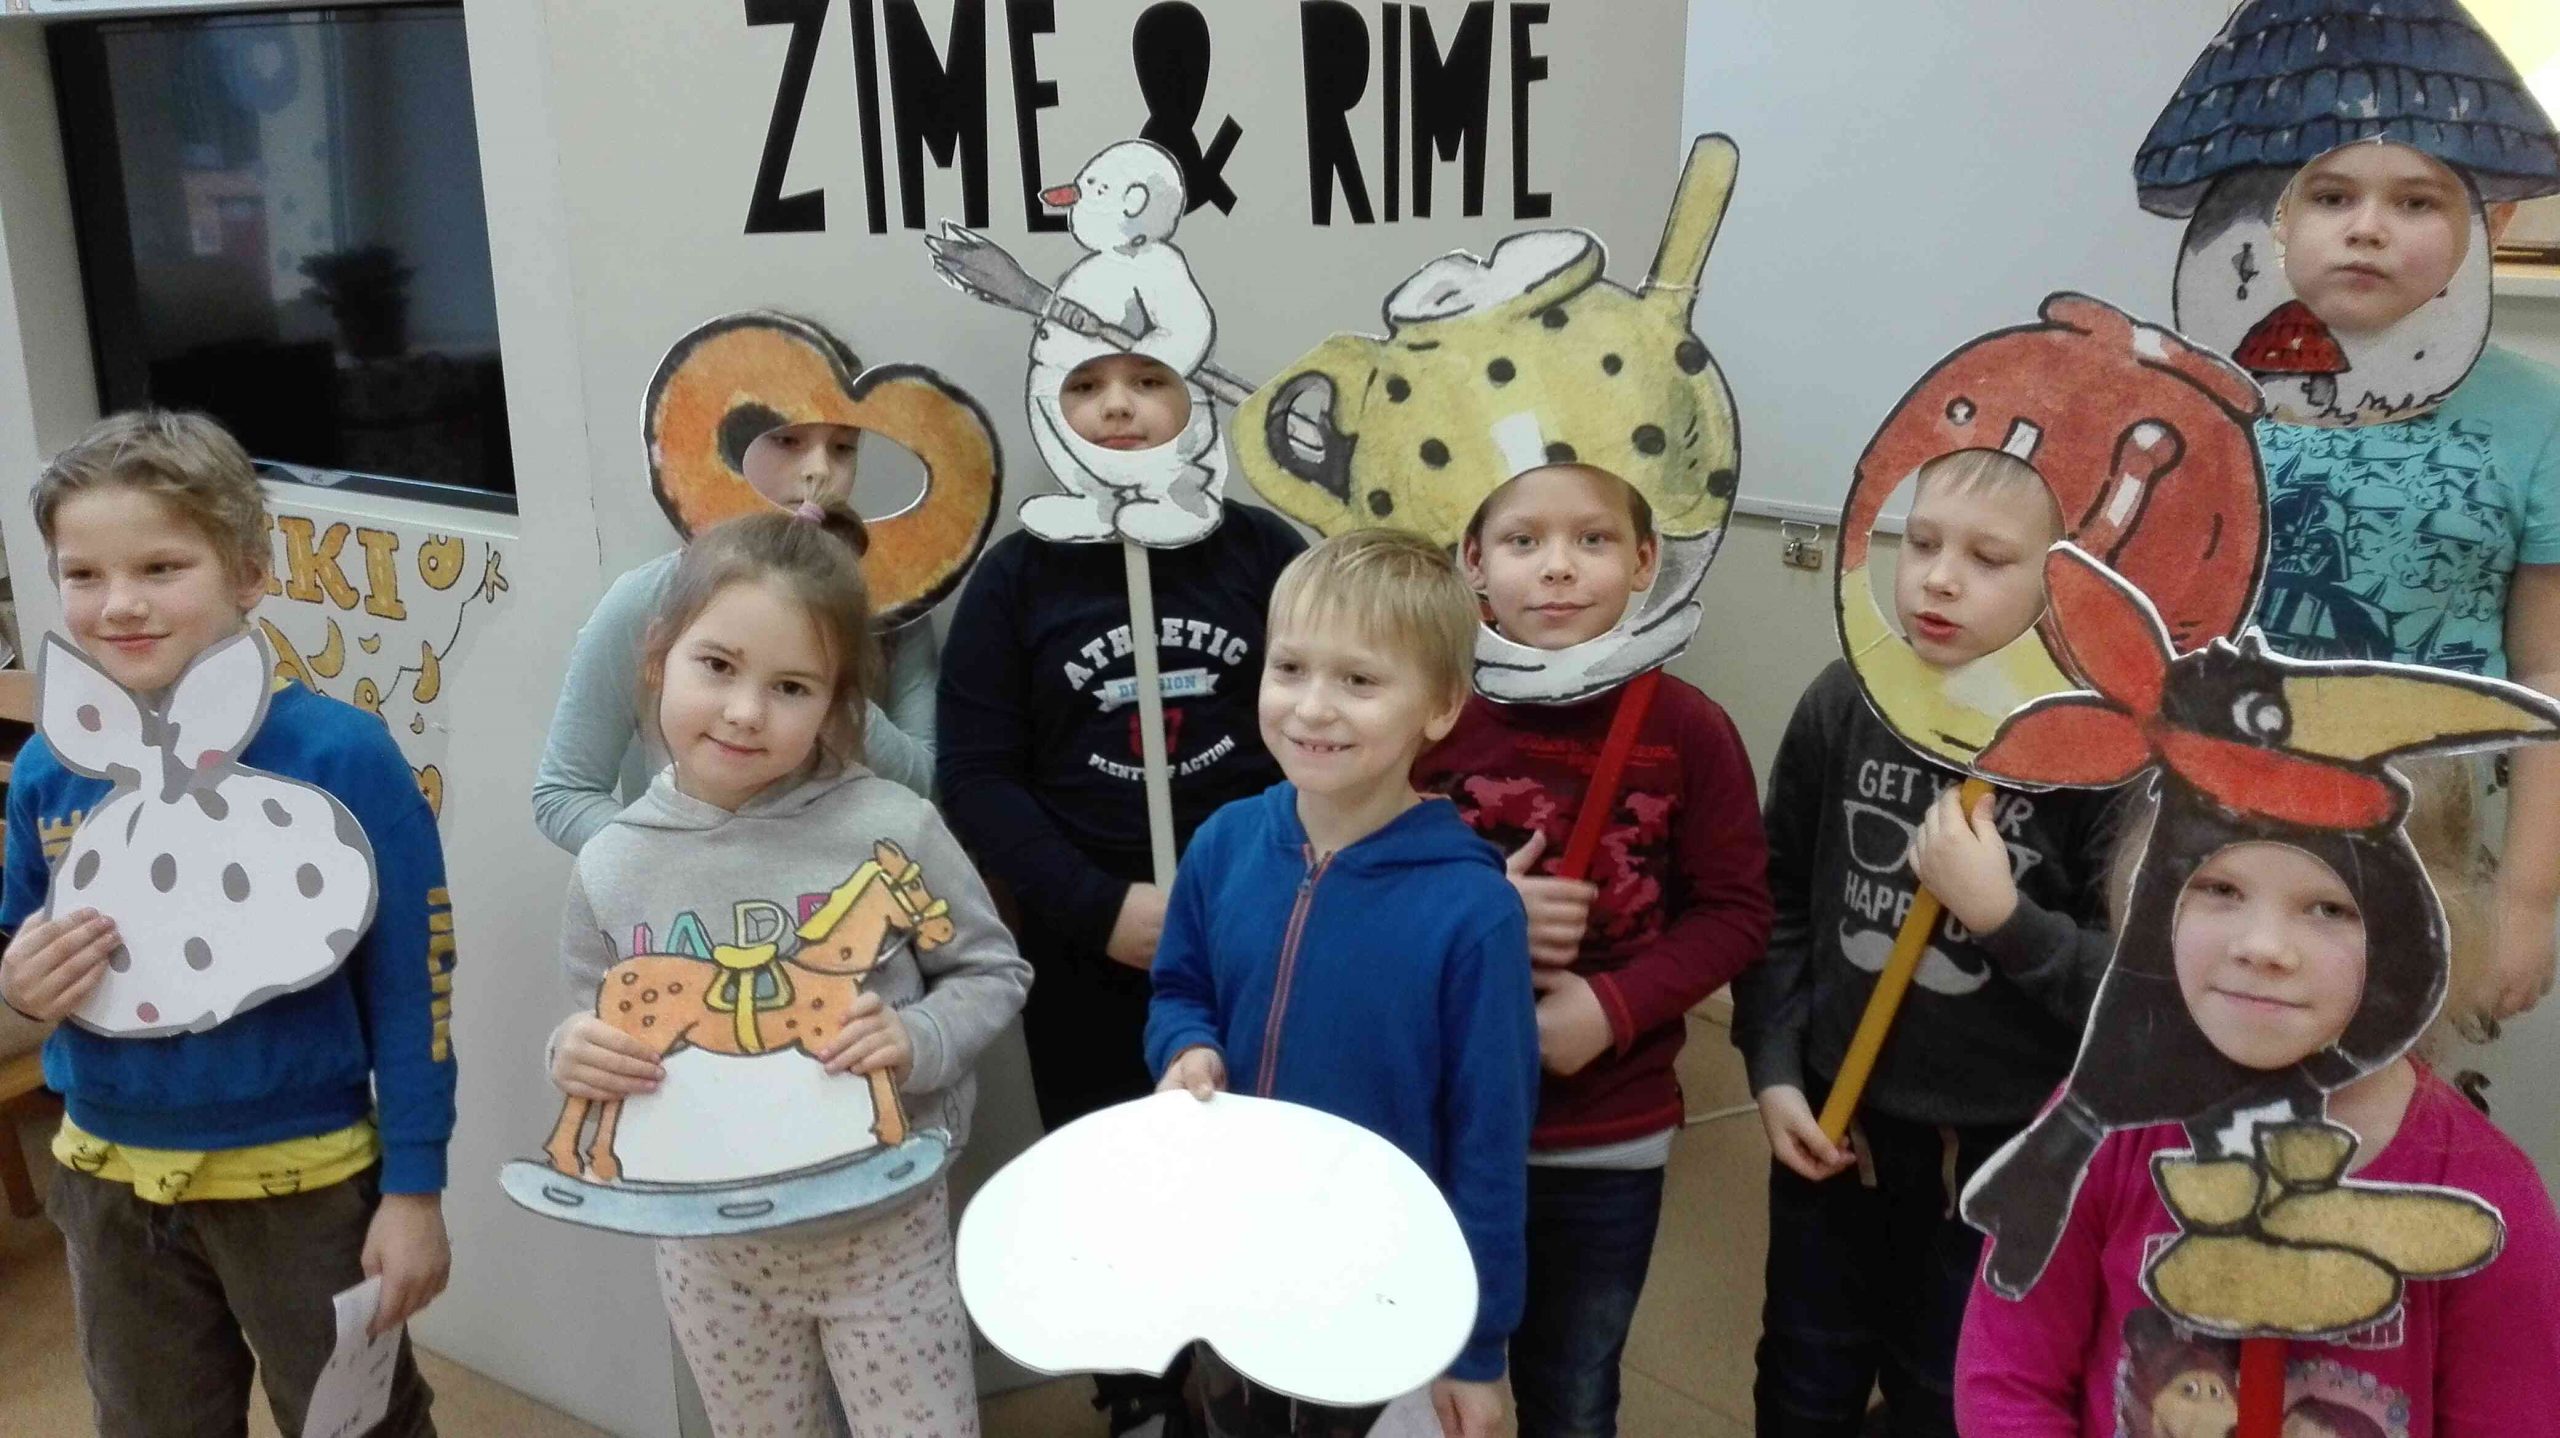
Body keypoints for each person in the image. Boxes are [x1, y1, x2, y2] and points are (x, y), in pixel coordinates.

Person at [0, 410, 455, 1436]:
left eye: (162, 567)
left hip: (307, 1183)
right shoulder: (47, 769)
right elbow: (20, 948)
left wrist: (416, 1190)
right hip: (107, 1180)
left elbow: (414, 989)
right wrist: (17, 987)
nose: (119, 603)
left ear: (249, 573)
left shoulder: (342, 756)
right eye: (83, 574)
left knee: (357, 1424)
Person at [545, 507, 1030, 1437]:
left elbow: (991, 969)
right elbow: (603, 1022)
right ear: (658, 658)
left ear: (840, 703)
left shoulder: (892, 825)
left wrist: (919, 1036)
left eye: (792, 686)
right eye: (717, 666)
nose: (744, 711)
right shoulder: (610, 862)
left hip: (883, 1231)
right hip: (708, 1248)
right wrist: (574, 1051)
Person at [937, 349, 1305, 1437]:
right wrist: (1098, 907)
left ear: (1194, 398)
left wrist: (1265, 893)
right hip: (1088, 948)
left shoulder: (1262, 553)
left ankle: (1251, 1372)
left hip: (1257, 930)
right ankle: (1139, 1390)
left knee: (1252, 1169)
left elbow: (1329, 723)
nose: (1118, 406)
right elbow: (977, 777)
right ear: (1049, 407)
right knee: (1107, 1179)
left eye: (1148, 381)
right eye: (1086, 386)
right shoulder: (1016, 579)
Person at [1954, 788, 2560, 1436]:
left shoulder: (2486, 1198)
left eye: (2331, 907)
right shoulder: (2103, 1132)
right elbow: (2008, 1381)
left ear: (2427, 931)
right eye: (2220, 888)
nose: (2262, 945)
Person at [1732, 450, 2120, 1436]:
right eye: (1921, 543)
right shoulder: (1843, 700)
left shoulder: (2096, 757)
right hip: (1836, 1128)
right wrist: (1773, 1065)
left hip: (2003, 1159)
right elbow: (1779, 900)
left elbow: (2134, 993)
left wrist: (2002, 917)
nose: (1937, 578)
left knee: (1948, 1394)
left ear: (2068, 586)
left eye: (1988, 558)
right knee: (1802, 1375)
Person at [1148, 528, 1539, 1438]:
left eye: (1360, 681)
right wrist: (1187, 1046)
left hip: (1384, 1283)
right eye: (1290, 668)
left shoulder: (1473, 912)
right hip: (1233, 1253)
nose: (1313, 707)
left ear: (1440, 706)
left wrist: (1477, 1352)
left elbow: (1489, 1144)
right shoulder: (1224, 843)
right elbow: (1179, 990)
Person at [1413, 463, 1772, 1437]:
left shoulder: (1688, 730)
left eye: (1594, 540)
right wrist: (1481, 913)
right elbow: (1349, 884)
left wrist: (1609, 1010)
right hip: (1433, 1119)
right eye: (1523, 540)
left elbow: (1738, 911)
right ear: (1474, 561)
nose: (1558, 567)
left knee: (1573, 1389)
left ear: (1645, 561)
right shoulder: (1426, 713)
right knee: (1428, 1382)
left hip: (1604, 1134)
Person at [2251, 139, 2560, 1022]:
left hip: (2425, 838)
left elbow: (2547, 670)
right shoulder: (2213, 392)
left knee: (2385, 1074)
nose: (2367, 229)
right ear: (2282, 214)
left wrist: (2528, 900)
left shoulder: (2535, 413)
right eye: (2331, 196)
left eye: (2417, 203)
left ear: (2492, 221)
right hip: (2215, 811)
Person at [534, 418, 939, 853]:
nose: (820, 470)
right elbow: (565, 791)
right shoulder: (648, 599)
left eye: (843, 447)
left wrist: (839, 699)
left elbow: (926, 785)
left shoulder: (895, 608)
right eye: (787, 440)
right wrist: (669, 866)